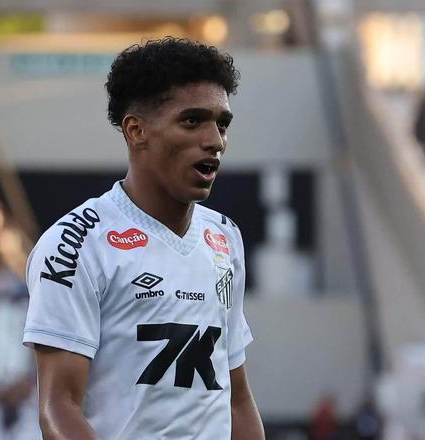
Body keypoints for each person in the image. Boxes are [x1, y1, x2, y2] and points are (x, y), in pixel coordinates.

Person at [22, 37, 264, 439]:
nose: (215, 140)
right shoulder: (75, 243)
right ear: (136, 131)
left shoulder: (224, 237)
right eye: (192, 121)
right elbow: (58, 407)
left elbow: (236, 398)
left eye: (222, 124)